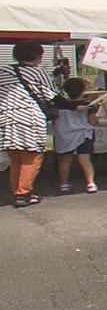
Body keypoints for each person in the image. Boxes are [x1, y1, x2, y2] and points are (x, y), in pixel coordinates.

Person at [1, 40, 59, 208]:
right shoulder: (38, 73)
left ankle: (17, 190)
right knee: (31, 156)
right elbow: (54, 96)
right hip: (29, 120)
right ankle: (23, 193)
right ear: (37, 56)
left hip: (7, 119)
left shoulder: (3, 72)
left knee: (15, 158)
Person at [53, 77, 98, 194]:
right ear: (82, 91)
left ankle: (63, 184)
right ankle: (90, 183)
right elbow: (92, 121)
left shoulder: (59, 106)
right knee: (85, 159)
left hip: (64, 135)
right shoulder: (88, 105)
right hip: (83, 134)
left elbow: (54, 121)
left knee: (65, 160)